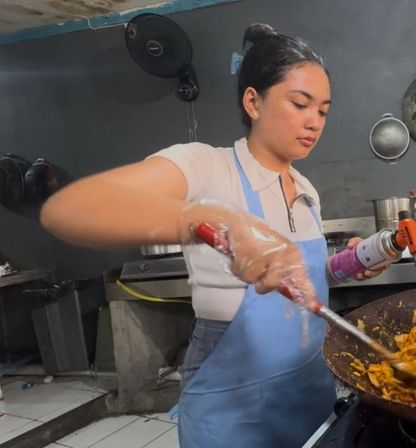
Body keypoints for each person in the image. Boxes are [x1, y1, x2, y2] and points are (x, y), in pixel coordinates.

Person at [41, 23, 383, 447]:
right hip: (234, 414)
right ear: (253, 101)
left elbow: (300, 286)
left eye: (324, 110)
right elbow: (71, 209)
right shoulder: (207, 166)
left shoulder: (307, 191)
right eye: (300, 104)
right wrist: (212, 219)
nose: (314, 121)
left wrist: (353, 263)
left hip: (308, 401)